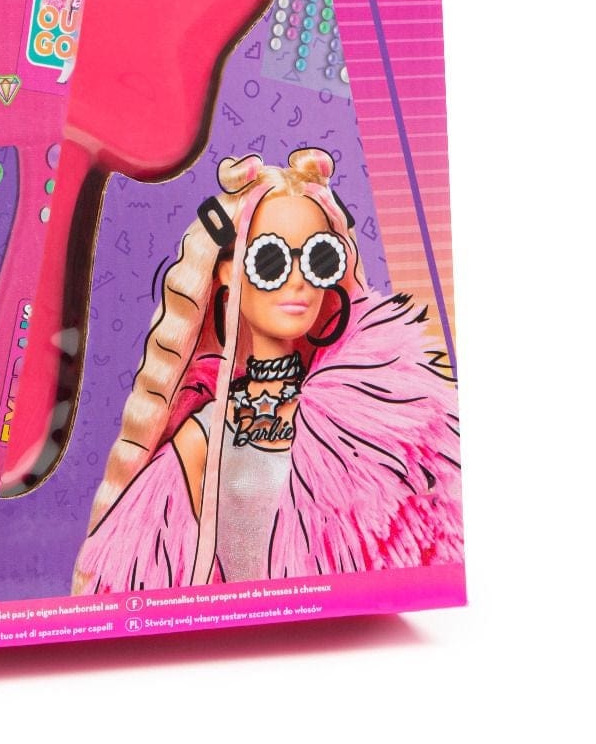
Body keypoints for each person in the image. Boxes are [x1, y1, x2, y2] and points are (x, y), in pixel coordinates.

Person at [73, 149, 462, 594]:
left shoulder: (377, 413)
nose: (297, 280)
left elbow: (428, 546)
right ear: (227, 273)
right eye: (271, 261)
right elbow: (144, 582)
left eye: (319, 259)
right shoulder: (204, 437)